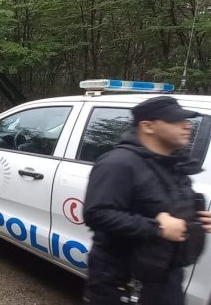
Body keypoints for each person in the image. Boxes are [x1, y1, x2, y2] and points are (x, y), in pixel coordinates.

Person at [83, 96, 211, 305]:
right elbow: (96, 214)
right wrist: (158, 228)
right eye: (175, 120)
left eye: (186, 120)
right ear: (148, 126)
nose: (187, 126)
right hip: (122, 281)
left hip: (166, 277)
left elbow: (161, 205)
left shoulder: (173, 164)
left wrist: (195, 219)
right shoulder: (118, 163)